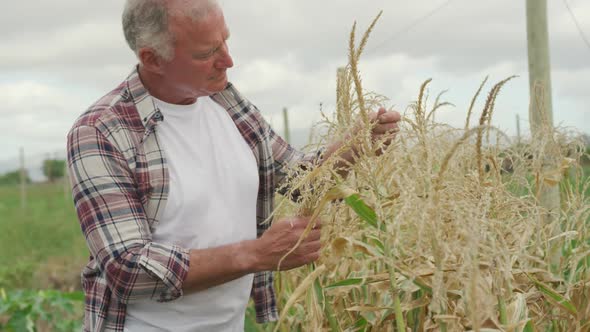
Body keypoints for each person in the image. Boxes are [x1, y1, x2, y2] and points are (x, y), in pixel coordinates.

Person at [66, 0, 401, 331]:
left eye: (225, 40)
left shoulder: (226, 101)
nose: (228, 60)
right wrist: (257, 254)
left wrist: (352, 148)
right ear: (152, 59)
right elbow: (128, 268)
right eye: (206, 53)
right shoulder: (100, 132)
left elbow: (302, 181)